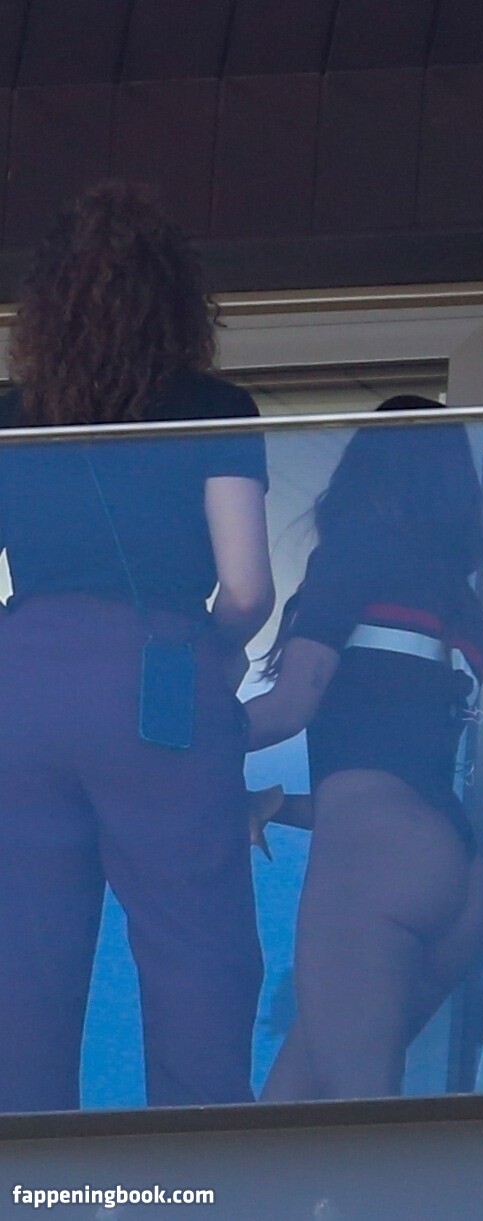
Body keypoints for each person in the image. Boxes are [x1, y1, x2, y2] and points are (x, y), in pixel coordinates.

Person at [0, 181, 274, 1112]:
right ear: (175, 300)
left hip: (21, 683)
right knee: (197, 949)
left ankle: (26, 1175)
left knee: (23, 961)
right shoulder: (213, 406)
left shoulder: (9, 414)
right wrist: (213, 651)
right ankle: (196, 1176)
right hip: (157, 675)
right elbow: (248, 587)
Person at [245, 398, 483, 1101]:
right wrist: (277, 804)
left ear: (363, 469)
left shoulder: (355, 552)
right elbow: (391, 774)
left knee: (356, 1126)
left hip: (374, 864)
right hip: (457, 871)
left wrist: (178, 743)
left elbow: (291, 706)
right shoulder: (463, 607)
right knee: (289, 1120)